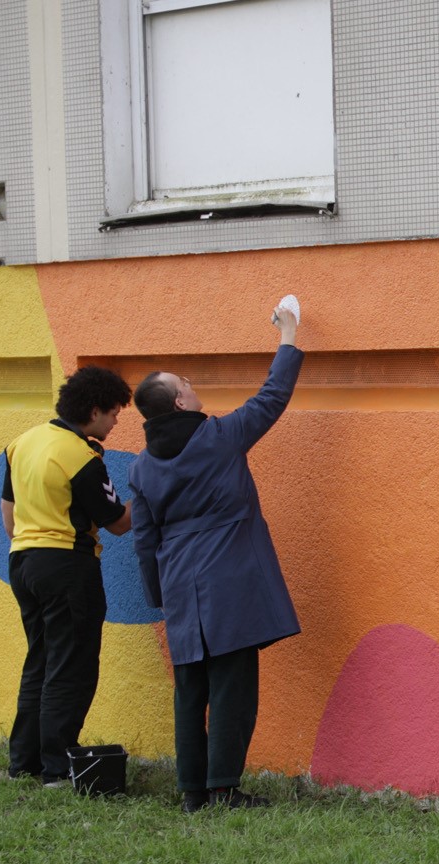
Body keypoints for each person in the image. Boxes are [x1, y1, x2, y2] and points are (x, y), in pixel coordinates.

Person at [129, 302, 303, 812]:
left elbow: (143, 541)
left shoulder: (141, 468)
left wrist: (160, 597)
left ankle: (191, 792)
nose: (191, 382)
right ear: (180, 403)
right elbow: (272, 398)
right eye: (184, 382)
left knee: (190, 691)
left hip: (181, 587)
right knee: (232, 689)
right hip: (230, 582)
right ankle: (224, 789)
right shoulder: (219, 438)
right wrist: (288, 333)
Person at [3, 366, 134, 785]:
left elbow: (9, 515)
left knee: (40, 661)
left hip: (24, 561)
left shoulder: (22, 442)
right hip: (67, 566)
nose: (115, 422)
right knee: (71, 667)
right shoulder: (82, 455)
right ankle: (58, 769)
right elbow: (117, 522)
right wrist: (158, 490)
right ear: (94, 412)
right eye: (114, 413)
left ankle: (23, 763)